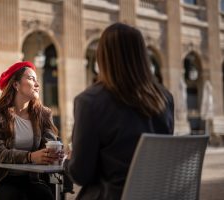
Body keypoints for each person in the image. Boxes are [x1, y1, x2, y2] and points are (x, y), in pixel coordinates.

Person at [64, 23, 174, 200]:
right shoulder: (165, 99)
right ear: (142, 56)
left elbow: (80, 175)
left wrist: (67, 161)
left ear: (103, 57)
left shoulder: (90, 102)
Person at [0, 61, 63, 200]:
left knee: (46, 196)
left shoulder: (44, 114)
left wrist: (53, 154)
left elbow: (48, 145)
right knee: (13, 197)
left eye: (37, 80)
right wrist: (30, 157)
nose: (37, 84)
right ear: (16, 84)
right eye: (31, 79)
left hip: (31, 179)